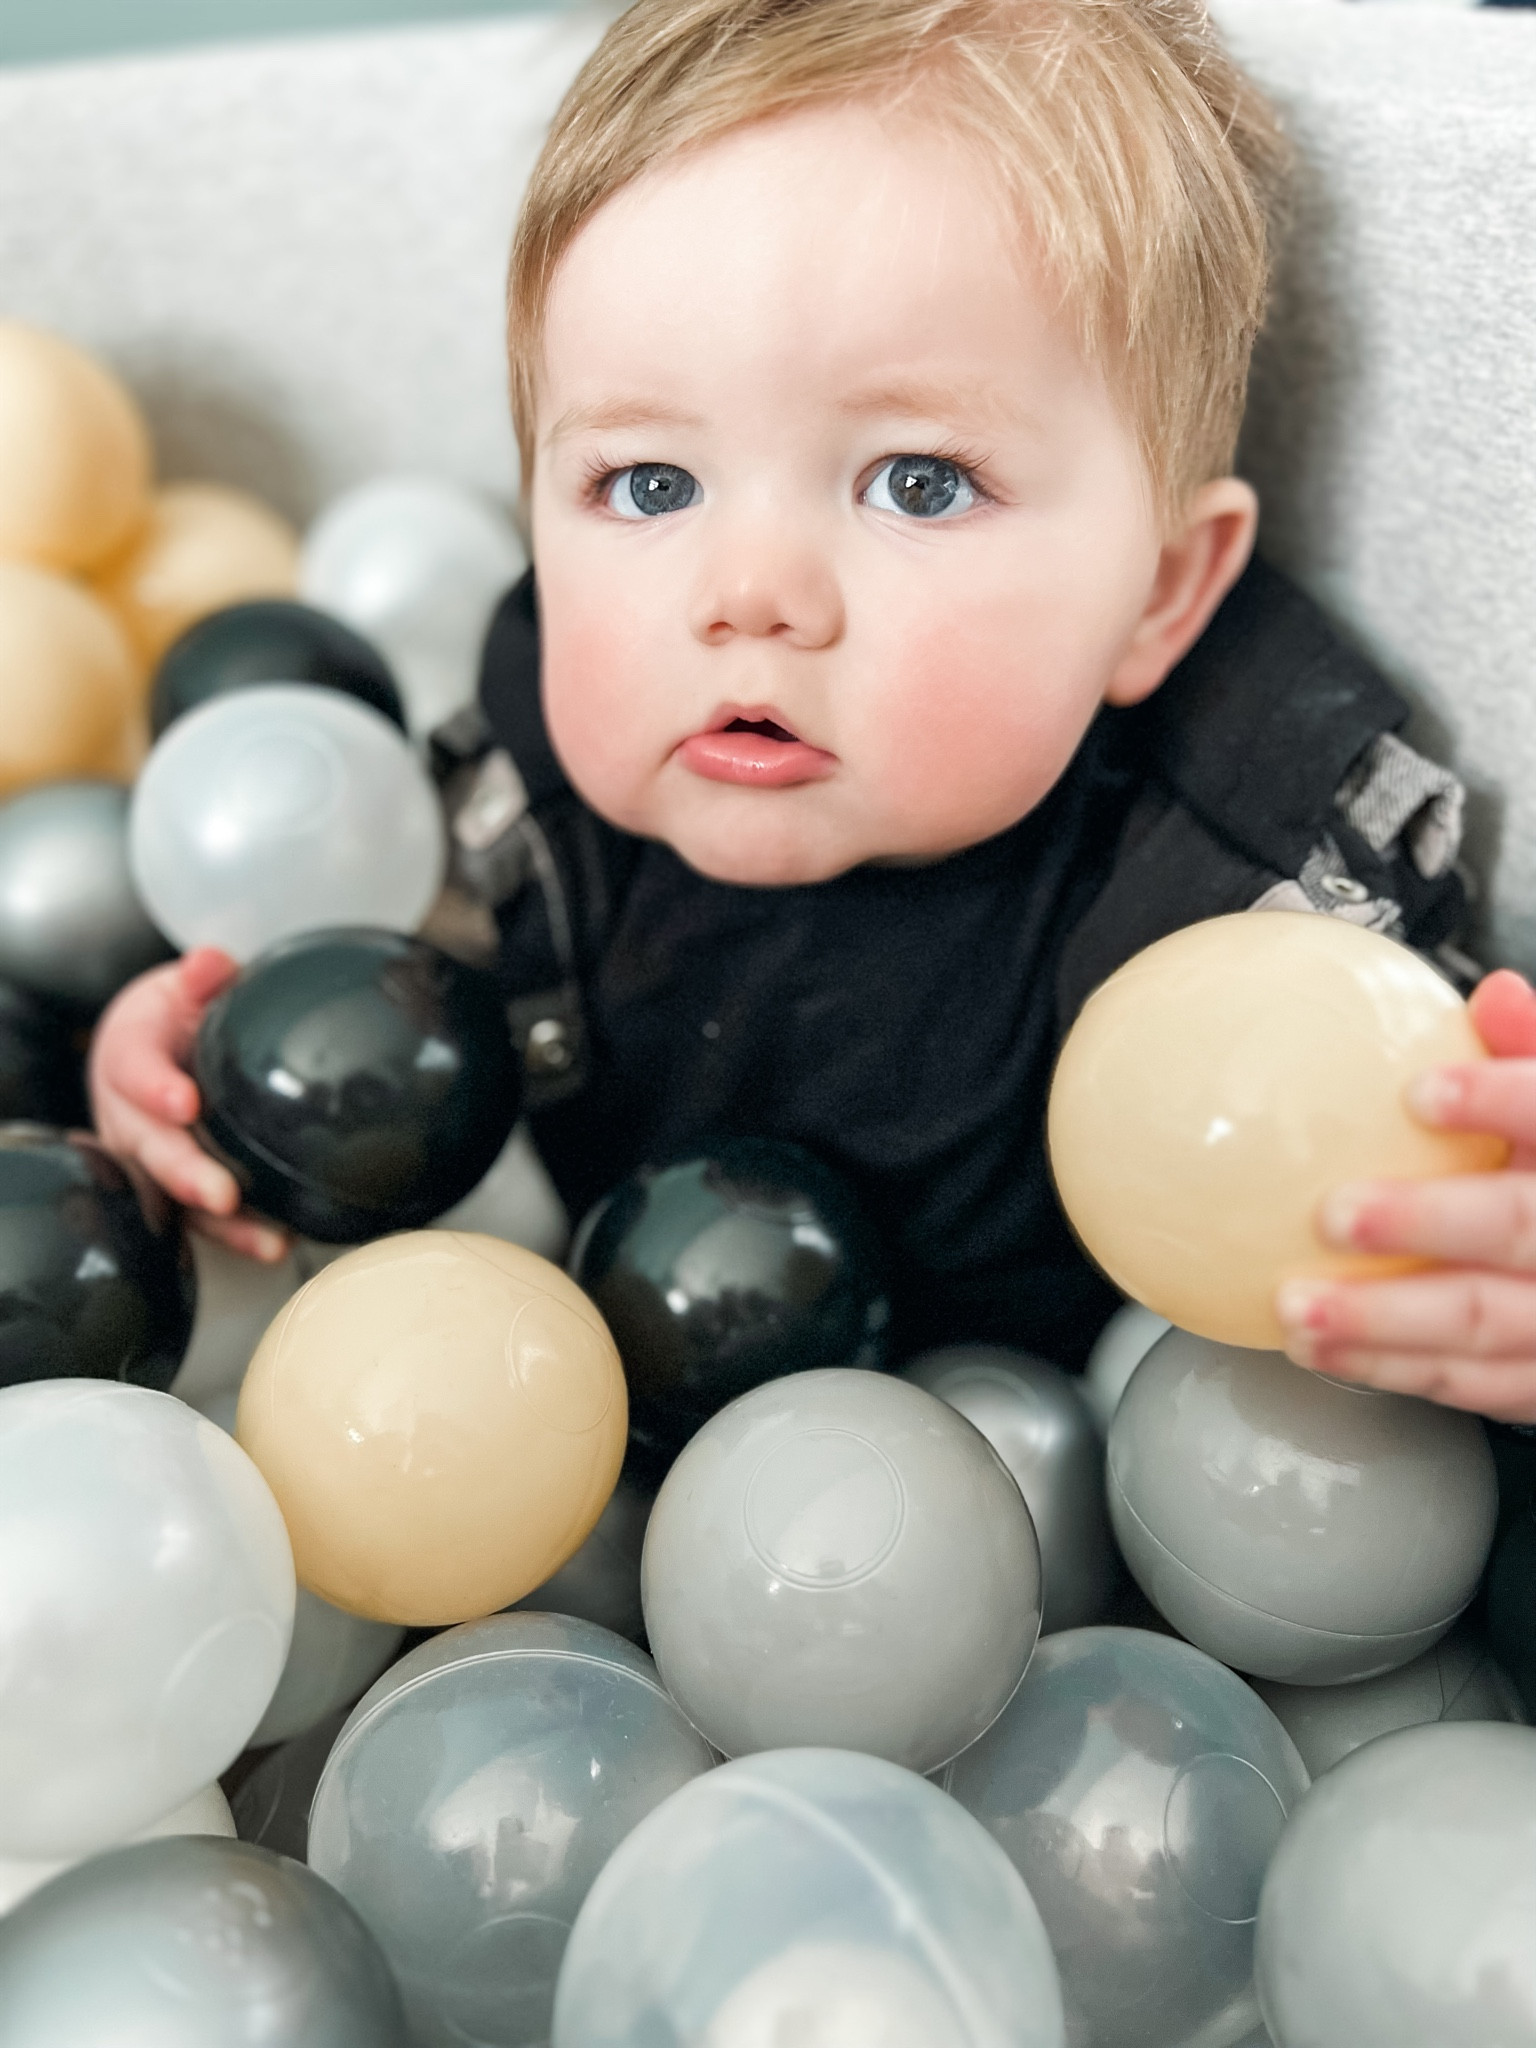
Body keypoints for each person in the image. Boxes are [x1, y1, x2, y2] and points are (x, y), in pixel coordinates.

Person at [91, 0, 1536, 1423]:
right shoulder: (516, 814)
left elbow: (1451, 1201)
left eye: (919, 481)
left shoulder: (1257, 920)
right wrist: (214, 1083)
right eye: (647, 485)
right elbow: (358, 1027)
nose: (752, 594)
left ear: (1159, 595)